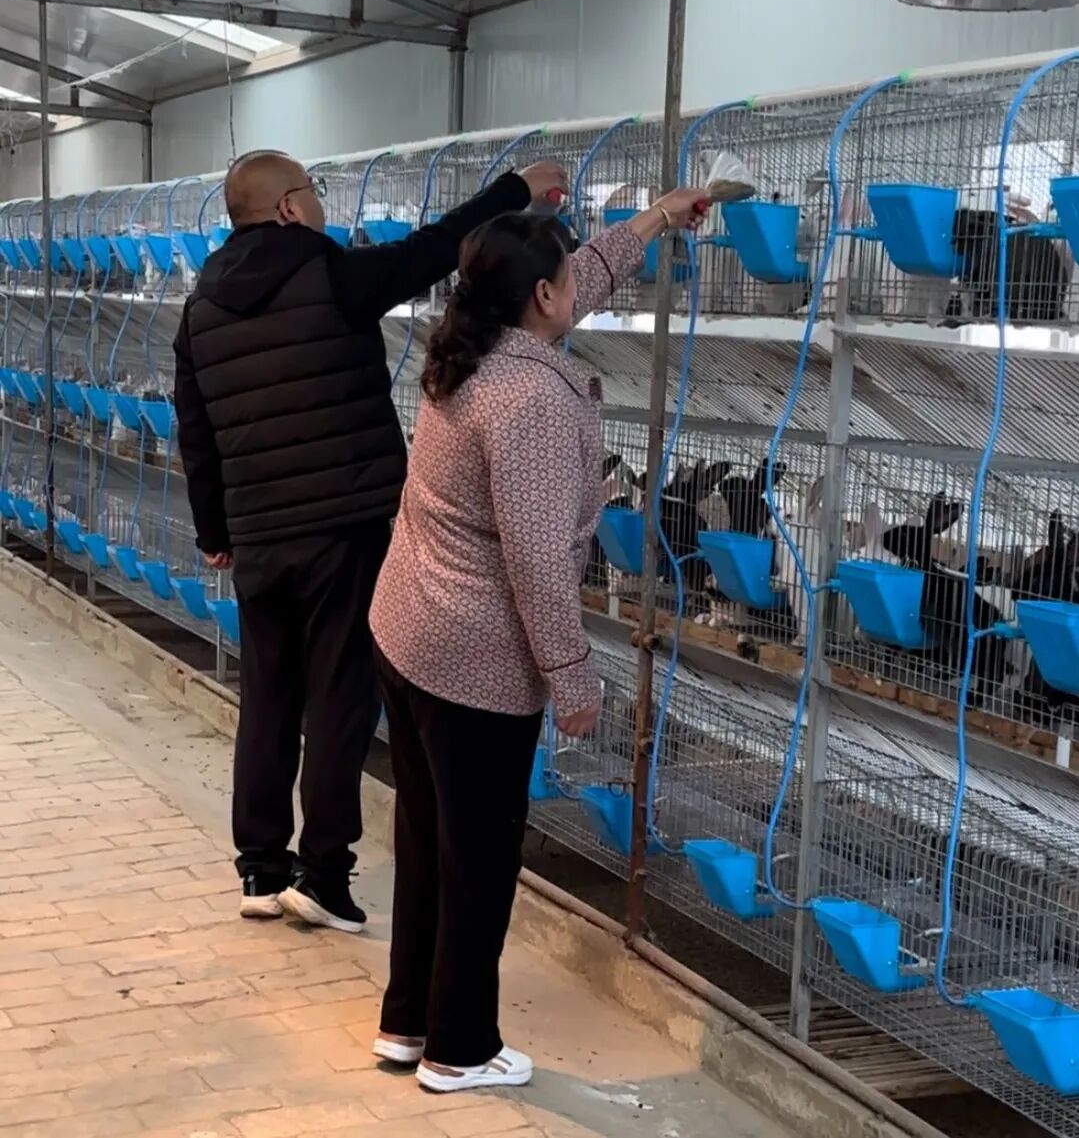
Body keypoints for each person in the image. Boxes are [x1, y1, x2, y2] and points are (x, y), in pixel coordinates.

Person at [173, 148, 569, 932]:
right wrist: (515, 190)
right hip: (343, 526)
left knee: (268, 694)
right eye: (313, 192)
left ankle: (260, 866)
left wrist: (215, 528)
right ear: (289, 207)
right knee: (337, 698)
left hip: (257, 533)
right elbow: (438, 246)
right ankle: (323, 874)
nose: (322, 206)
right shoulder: (333, 274)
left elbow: (195, 428)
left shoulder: (200, 307)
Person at [368, 187, 707, 1089]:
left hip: (409, 631)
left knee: (428, 837)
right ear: (543, 298)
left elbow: (581, 274)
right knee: (479, 857)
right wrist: (573, 673)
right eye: (563, 278)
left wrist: (655, 220)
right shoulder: (531, 400)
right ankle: (460, 1048)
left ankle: (408, 1022)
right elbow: (537, 558)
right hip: (472, 658)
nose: (574, 286)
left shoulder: (471, 350)